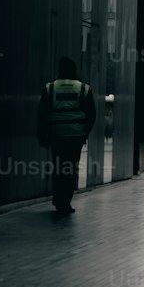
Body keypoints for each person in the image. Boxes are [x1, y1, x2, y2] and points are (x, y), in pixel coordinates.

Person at [37, 58, 97, 215]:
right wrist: (85, 133)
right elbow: (91, 114)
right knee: (70, 168)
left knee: (58, 167)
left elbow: (42, 114)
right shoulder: (83, 88)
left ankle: (58, 198)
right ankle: (66, 202)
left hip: (57, 136)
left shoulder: (51, 88)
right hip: (75, 137)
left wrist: (43, 136)